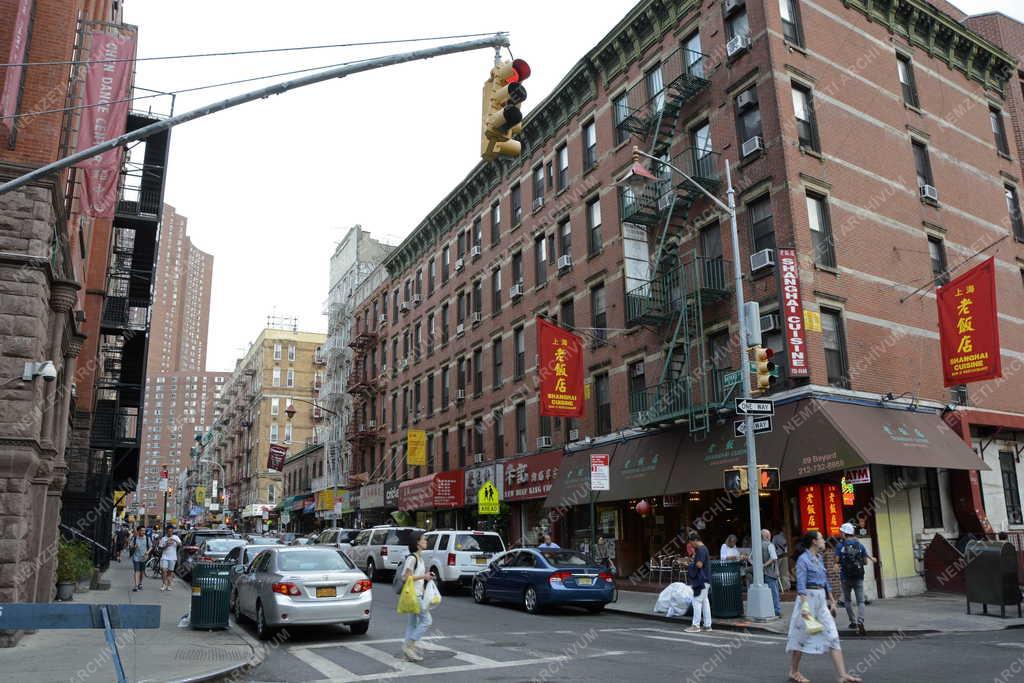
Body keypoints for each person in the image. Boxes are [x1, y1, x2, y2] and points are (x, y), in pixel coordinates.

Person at [786, 530, 861, 683]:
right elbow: (800, 585)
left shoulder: (819, 558)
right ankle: (794, 671)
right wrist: (805, 607)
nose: (823, 541)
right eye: (821, 538)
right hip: (807, 599)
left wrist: (832, 601)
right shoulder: (803, 560)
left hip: (820, 600)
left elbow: (825, 581)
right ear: (814, 541)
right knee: (800, 637)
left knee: (832, 634)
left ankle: (843, 675)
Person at [836, 522, 876, 635]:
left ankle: (853, 622)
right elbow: (865, 562)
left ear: (844, 533)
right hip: (858, 577)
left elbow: (837, 561)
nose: (840, 534)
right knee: (860, 601)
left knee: (847, 601)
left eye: (841, 532)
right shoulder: (860, 545)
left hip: (845, 577)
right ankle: (860, 620)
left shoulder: (840, 546)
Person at [401, 533, 434, 662]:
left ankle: (408, 650)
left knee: (412, 624)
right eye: (423, 539)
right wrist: (424, 577)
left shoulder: (420, 558)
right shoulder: (412, 558)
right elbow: (406, 577)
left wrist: (426, 579)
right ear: (417, 543)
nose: (426, 541)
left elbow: (417, 578)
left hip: (418, 593)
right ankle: (410, 644)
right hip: (413, 595)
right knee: (427, 620)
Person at [685, 531, 711, 633]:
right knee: (705, 602)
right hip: (706, 580)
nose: (691, 545)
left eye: (691, 542)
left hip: (701, 580)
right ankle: (707, 625)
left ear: (695, 540)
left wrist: (689, 565)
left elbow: (699, 565)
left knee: (696, 601)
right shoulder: (704, 548)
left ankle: (695, 625)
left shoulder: (700, 550)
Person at [761, 529, 782, 617]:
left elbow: (751, 558)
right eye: (769, 535)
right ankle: (776, 611)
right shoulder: (770, 545)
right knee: (774, 593)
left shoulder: (758, 546)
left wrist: (761, 566)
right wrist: (765, 565)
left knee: (766, 594)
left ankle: (769, 611)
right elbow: (774, 558)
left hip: (762, 574)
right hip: (770, 573)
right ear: (767, 536)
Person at [157, 525, 181, 591]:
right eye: (168, 531)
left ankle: (169, 585)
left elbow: (180, 544)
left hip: (173, 557)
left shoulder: (176, 537)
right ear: (166, 531)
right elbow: (160, 548)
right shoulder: (163, 538)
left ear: (173, 531)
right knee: (164, 570)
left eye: (171, 531)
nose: (170, 532)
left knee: (170, 572)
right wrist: (166, 545)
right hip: (164, 557)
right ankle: (164, 584)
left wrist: (174, 540)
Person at [129, 526, 150, 592]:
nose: (143, 532)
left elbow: (151, 546)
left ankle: (140, 583)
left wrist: (147, 552)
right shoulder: (135, 538)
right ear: (138, 531)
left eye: (144, 531)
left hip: (144, 557)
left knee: (141, 572)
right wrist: (134, 547)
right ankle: (136, 585)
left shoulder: (147, 538)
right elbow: (130, 546)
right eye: (141, 530)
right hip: (136, 557)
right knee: (136, 571)